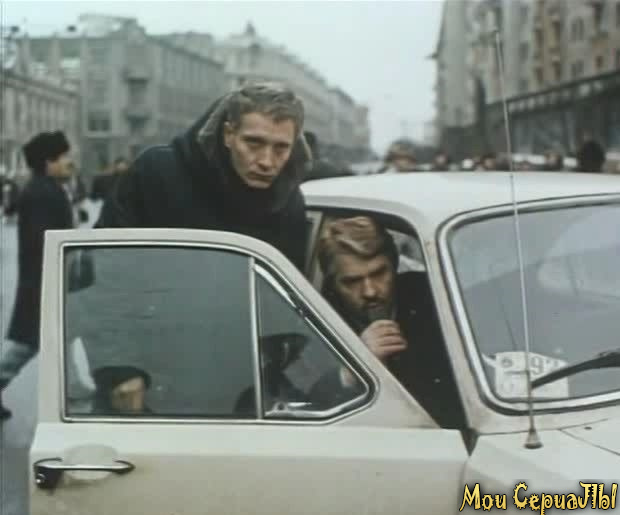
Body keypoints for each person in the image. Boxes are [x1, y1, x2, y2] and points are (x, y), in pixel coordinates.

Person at [96, 82, 310, 271]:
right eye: (254, 143)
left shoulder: (288, 200)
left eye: (281, 148)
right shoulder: (155, 173)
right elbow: (103, 258)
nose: (266, 161)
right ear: (228, 134)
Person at [310, 216, 465, 429]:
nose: (370, 291)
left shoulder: (435, 298)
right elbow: (305, 402)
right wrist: (354, 369)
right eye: (351, 281)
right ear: (332, 283)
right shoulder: (317, 317)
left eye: (379, 273)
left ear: (394, 265)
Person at [1, 131, 75, 420]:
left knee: (48, 341)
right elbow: (44, 242)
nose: (70, 161)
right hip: (45, 282)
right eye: (64, 156)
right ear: (48, 161)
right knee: (28, 345)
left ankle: (79, 397)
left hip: (46, 280)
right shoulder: (43, 193)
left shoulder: (46, 189)